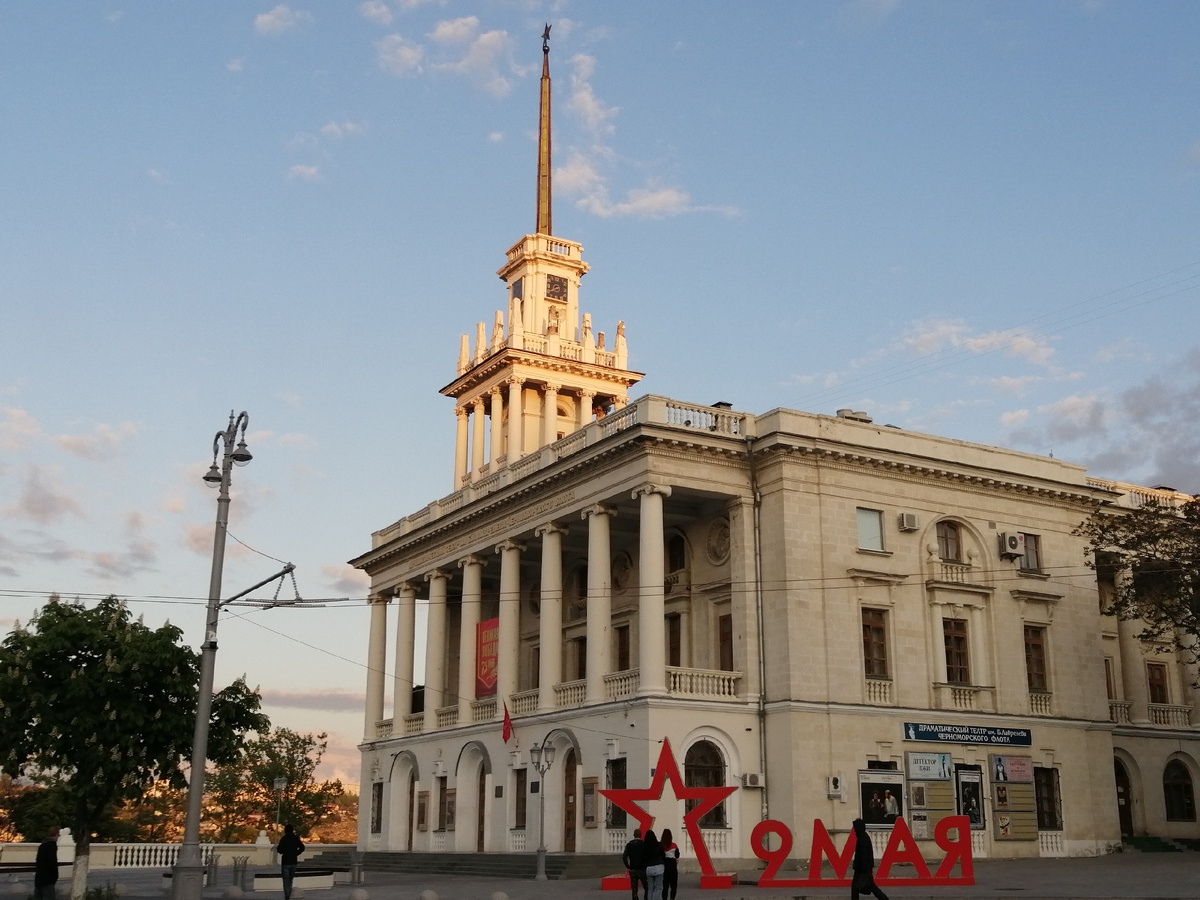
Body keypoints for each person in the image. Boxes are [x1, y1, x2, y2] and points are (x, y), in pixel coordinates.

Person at [851, 818, 890, 900]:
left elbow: (864, 854)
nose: (854, 829)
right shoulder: (863, 837)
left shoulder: (862, 838)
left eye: (855, 827)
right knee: (859, 887)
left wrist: (862, 868)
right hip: (863, 868)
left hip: (862, 869)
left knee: (869, 887)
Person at [276, 823, 305, 900]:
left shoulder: (284, 839)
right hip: (293, 861)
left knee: (286, 880)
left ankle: (287, 896)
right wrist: (296, 853)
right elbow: (302, 847)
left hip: (285, 861)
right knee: (290, 880)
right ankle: (289, 893)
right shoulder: (296, 838)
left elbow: (279, 850)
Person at [34, 828, 58, 900]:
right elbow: (52, 862)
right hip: (48, 879)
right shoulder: (52, 845)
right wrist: (55, 876)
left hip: (39, 879)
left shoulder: (42, 845)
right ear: (56, 835)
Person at [622, 828, 647, 900]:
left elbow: (624, 857)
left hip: (633, 869)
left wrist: (628, 866)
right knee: (646, 888)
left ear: (634, 835)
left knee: (634, 890)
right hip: (642, 869)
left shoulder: (629, 845)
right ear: (641, 835)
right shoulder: (644, 844)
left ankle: (635, 897)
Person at [642, 829, 666, 900]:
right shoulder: (659, 845)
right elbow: (663, 855)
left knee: (650, 888)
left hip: (649, 868)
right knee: (658, 887)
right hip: (659, 867)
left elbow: (643, 857)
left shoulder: (644, 846)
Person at [660, 828, 680, 900]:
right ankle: (672, 898)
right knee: (673, 886)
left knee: (665, 886)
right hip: (672, 867)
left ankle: (664, 898)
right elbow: (677, 855)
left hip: (664, 867)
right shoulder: (674, 846)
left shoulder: (661, 846)